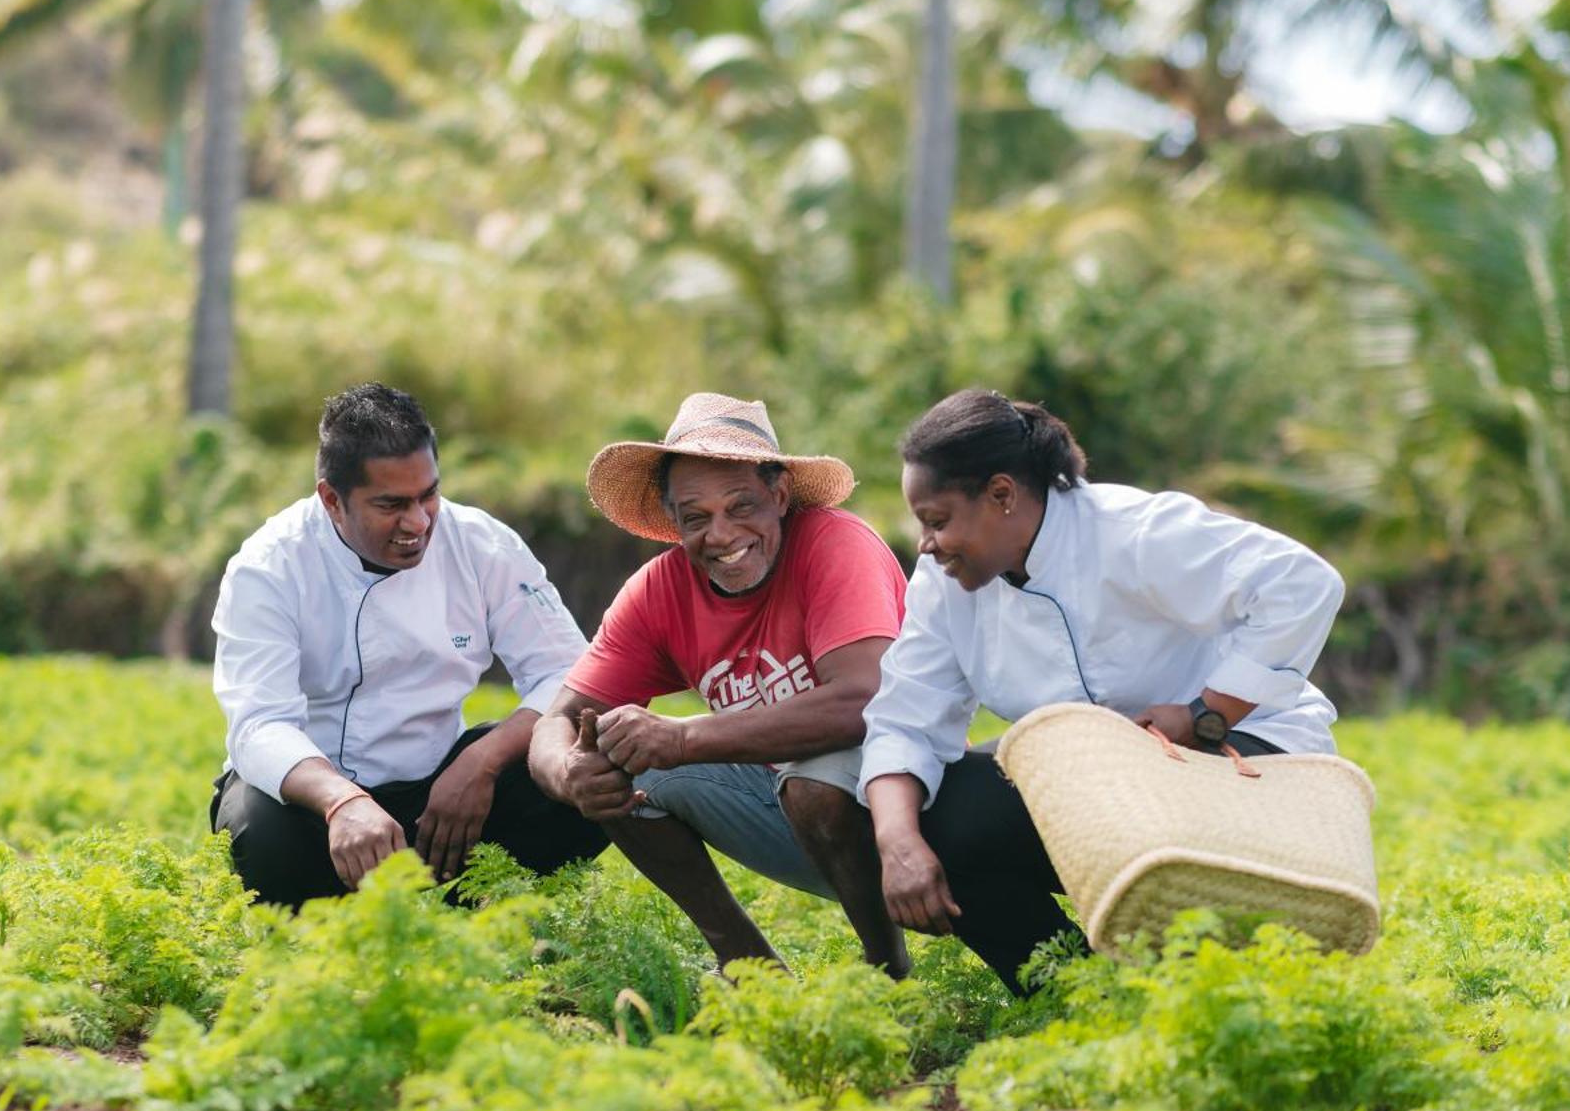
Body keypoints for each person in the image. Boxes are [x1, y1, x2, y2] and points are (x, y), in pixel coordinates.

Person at [858, 388, 1348, 992]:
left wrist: (1206, 714)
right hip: (1099, 795)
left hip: (1234, 768)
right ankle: (1074, 996)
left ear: (1002, 495)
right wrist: (898, 842)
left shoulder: (1133, 531)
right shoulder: (944, 584)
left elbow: (1303, 584)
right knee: (930, 810)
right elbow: (904, 719)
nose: (926, 544)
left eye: (937, 521)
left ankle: (1204, 985)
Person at [527, 393, 912, 973]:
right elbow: (555, 721)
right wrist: (569, 772)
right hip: (784, 811)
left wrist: (684, 739)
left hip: (905, 804)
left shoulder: (836, 543)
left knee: (812, 783)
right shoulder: (660, 590)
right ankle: (750, 968)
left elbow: (863, 700)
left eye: (741, 507)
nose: (723, 534)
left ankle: (886, 969)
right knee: (611, 757)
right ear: (673, 522)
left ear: (779, 496)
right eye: (696, 517)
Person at [209, 382, 608, 907]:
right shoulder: (270, 566)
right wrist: (341, 802)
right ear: (332, 499)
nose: (418, 522)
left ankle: (467, 926)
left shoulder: (482, 545)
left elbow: (570, 675)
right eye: (391, 504)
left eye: (428, 495)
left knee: (590, 774)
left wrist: (481, 763)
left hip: (441, 791)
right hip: (313, 795)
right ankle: (331, 935)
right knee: (259, 835)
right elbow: (260, 724)